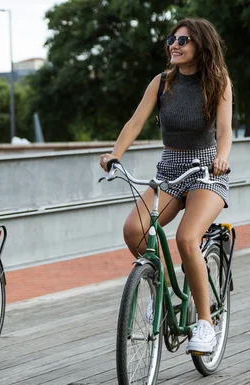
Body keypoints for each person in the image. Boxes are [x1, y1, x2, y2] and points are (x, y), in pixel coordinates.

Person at [99, 17, 232, 354]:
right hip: (170, 169)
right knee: (135, 230)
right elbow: (135, 122)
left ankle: (205, 323)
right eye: (172, 38)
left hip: (206, 170)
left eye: (183, 40)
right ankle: (164, 293)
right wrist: (115, 154)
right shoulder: (161, 83)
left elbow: (225, 130)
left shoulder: (217, 82)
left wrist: (223, 156)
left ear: (200, 46)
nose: (174, 44)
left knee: (187, 238)